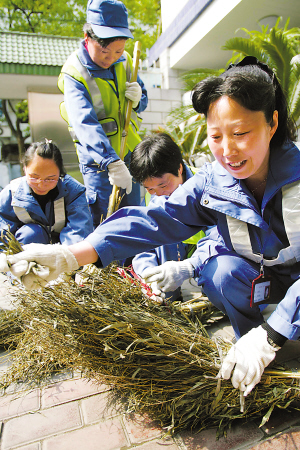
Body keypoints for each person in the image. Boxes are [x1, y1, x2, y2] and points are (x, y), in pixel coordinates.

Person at [2, 57, 299, 398]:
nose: (228, 151)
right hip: (260, 280)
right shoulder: (214, 182)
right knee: (221, 272)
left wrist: (272, 334)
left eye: (241, 133)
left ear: (272, 123)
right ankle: (249, 346)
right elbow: (154, 222)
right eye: (216, 136)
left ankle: (269, 339)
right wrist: (71, 255)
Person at [57, 0, 148, 227]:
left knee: (134, 220)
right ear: (88, 39)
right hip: (99, 163)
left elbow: (142, 100)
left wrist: (138, 100)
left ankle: (134, 264)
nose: (111, 58)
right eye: (104, 51)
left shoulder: (126, 60)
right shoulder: (74, 73)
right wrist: (111, 163)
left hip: (129, 152)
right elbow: (84, 122)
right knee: (105, 223)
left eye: (118, 51)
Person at [130, 132, 222, 302]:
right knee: (160, 230)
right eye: (150, 189)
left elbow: (220, 237)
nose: (159, 193)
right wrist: (148, 275)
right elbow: (143, 244)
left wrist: (189, 267)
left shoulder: (206, 185)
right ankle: (167, 295)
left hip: (205, 254)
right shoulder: (154, 198)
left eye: (163, 185)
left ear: (179, 168)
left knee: (218, 288)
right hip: (174, 254)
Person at [0, 139, 93, 246]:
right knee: (30, 234)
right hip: (27, 250)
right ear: (24, 168)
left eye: (50, 179)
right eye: (34, 177)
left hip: (63, 251)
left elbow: (79, 231)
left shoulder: (73, 191)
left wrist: (66, 256)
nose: (41, 184)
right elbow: (2, 233)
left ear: (60, 172)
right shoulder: (11, 193)